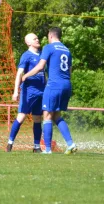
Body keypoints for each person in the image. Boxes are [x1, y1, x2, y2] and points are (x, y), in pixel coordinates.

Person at [22, 27, 77, 155]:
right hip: (66, 85)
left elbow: (40, 67)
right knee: (56, 115)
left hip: (54, 85)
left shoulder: (49, 47)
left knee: (46, 115)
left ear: (51, 36)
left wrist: (26, 75)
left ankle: (47, 149)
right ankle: (70, 144)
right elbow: (69, 71)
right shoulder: (67, 50)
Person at [6, 33, 45, 153]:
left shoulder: (43, 54)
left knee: (38, 119)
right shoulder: (26, 56)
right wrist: (15, 91)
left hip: (41, 91)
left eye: (37, 38)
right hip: (29, 92)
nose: (37, 40)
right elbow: (19, 74)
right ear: (28, 42)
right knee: (21, 117)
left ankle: (36, 147)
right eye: (35, 39)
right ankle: (10, 144)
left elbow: (44, 73)